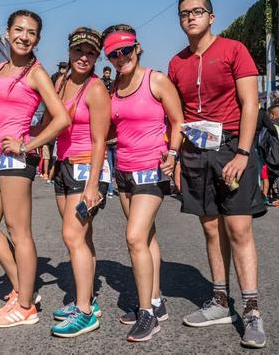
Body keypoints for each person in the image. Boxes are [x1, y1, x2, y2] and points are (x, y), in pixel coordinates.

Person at [169, 0, 267, 349]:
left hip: (230, 146)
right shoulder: (176, 62)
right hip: (195, 149)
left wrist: (243, 152)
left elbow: (250, 103)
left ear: (211, 17)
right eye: (184, 13)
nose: (190, 17)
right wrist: (177, 156)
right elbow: (176, 116)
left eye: (197, 12)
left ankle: (253, 310)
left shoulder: (234, 49)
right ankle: (221, 301)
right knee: (211, 229)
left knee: (238, 228)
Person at [0, 10, 70, 329]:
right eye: (18, 30)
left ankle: (26, 306)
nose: (24, 36)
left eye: (31, 33)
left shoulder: (37, 73)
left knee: (19, 231)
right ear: (7, 32)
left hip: (17, 159)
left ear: (38, 39)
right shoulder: (0, 68)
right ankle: (22, 287)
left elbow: (60, 118)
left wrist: (28, 145)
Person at [105, 23, 182, 343]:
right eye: (113, 54)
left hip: (152, 170)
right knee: (147, 237)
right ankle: (157, 301)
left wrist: (174, 153)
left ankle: (146, 313)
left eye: (125, 50)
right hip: (123, 171)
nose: (121, 57)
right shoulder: (113, 89)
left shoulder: (157, 80)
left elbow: (178, 121)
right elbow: (112, 131)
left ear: (137, 47)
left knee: (134, 237)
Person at [38, 27, 110, 337]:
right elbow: (53, 121)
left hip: (87, 171)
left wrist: (93, 185)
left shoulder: (96, 89)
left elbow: (99, 142)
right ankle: (88, 299)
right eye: (79, 50)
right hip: (64, 168)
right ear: (69, 51)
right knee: (83, 237)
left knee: (72, 235)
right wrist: (44, 148)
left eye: (91, 53)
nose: (84, 57)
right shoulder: (61, 81)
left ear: (97, 57)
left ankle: (84, 313)